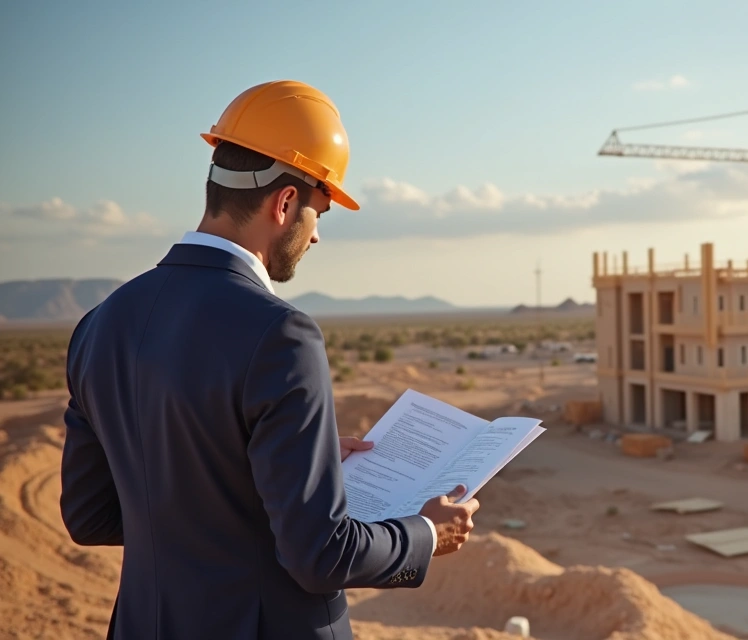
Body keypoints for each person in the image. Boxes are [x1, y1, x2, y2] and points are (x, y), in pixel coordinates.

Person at [59, 80, 478, 640]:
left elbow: (91, 516)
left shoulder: (100, 324)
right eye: (320, 213)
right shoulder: (281, 334)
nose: (317, 237)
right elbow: (319, 556)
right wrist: (426, 532)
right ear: (285, 204)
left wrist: (281, 466)